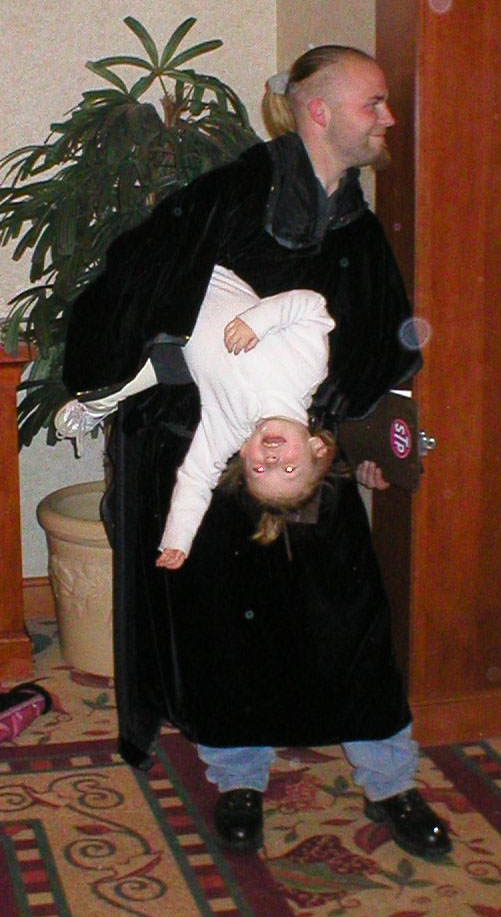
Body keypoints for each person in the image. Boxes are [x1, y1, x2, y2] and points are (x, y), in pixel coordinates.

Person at [61, 45, 451, 859]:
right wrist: (164, 380)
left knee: (349, 618)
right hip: (208, 448)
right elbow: (137, 291)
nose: (387, 118)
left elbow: (379, 348)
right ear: (317, 110)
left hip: (308, 450)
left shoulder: (355, 221)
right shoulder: (231, 196)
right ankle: (238, 775)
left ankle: (389, 780)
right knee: (224, 625)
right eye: (373, 103)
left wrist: (368, 441)